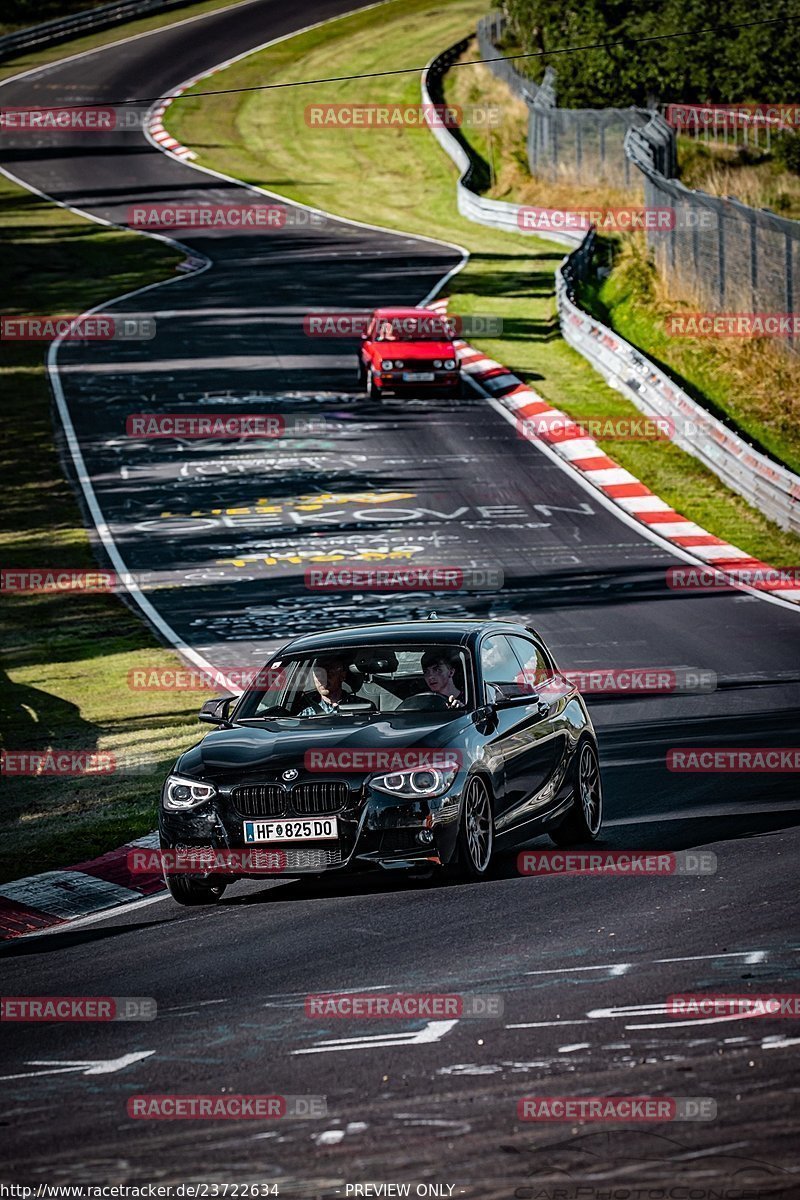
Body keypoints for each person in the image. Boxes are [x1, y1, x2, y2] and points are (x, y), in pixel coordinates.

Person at [297, 655, 371, 716]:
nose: (323, 679)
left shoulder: (364, 707)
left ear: (342, 676)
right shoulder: (306, 714)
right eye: (318, 675)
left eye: (330, 673)